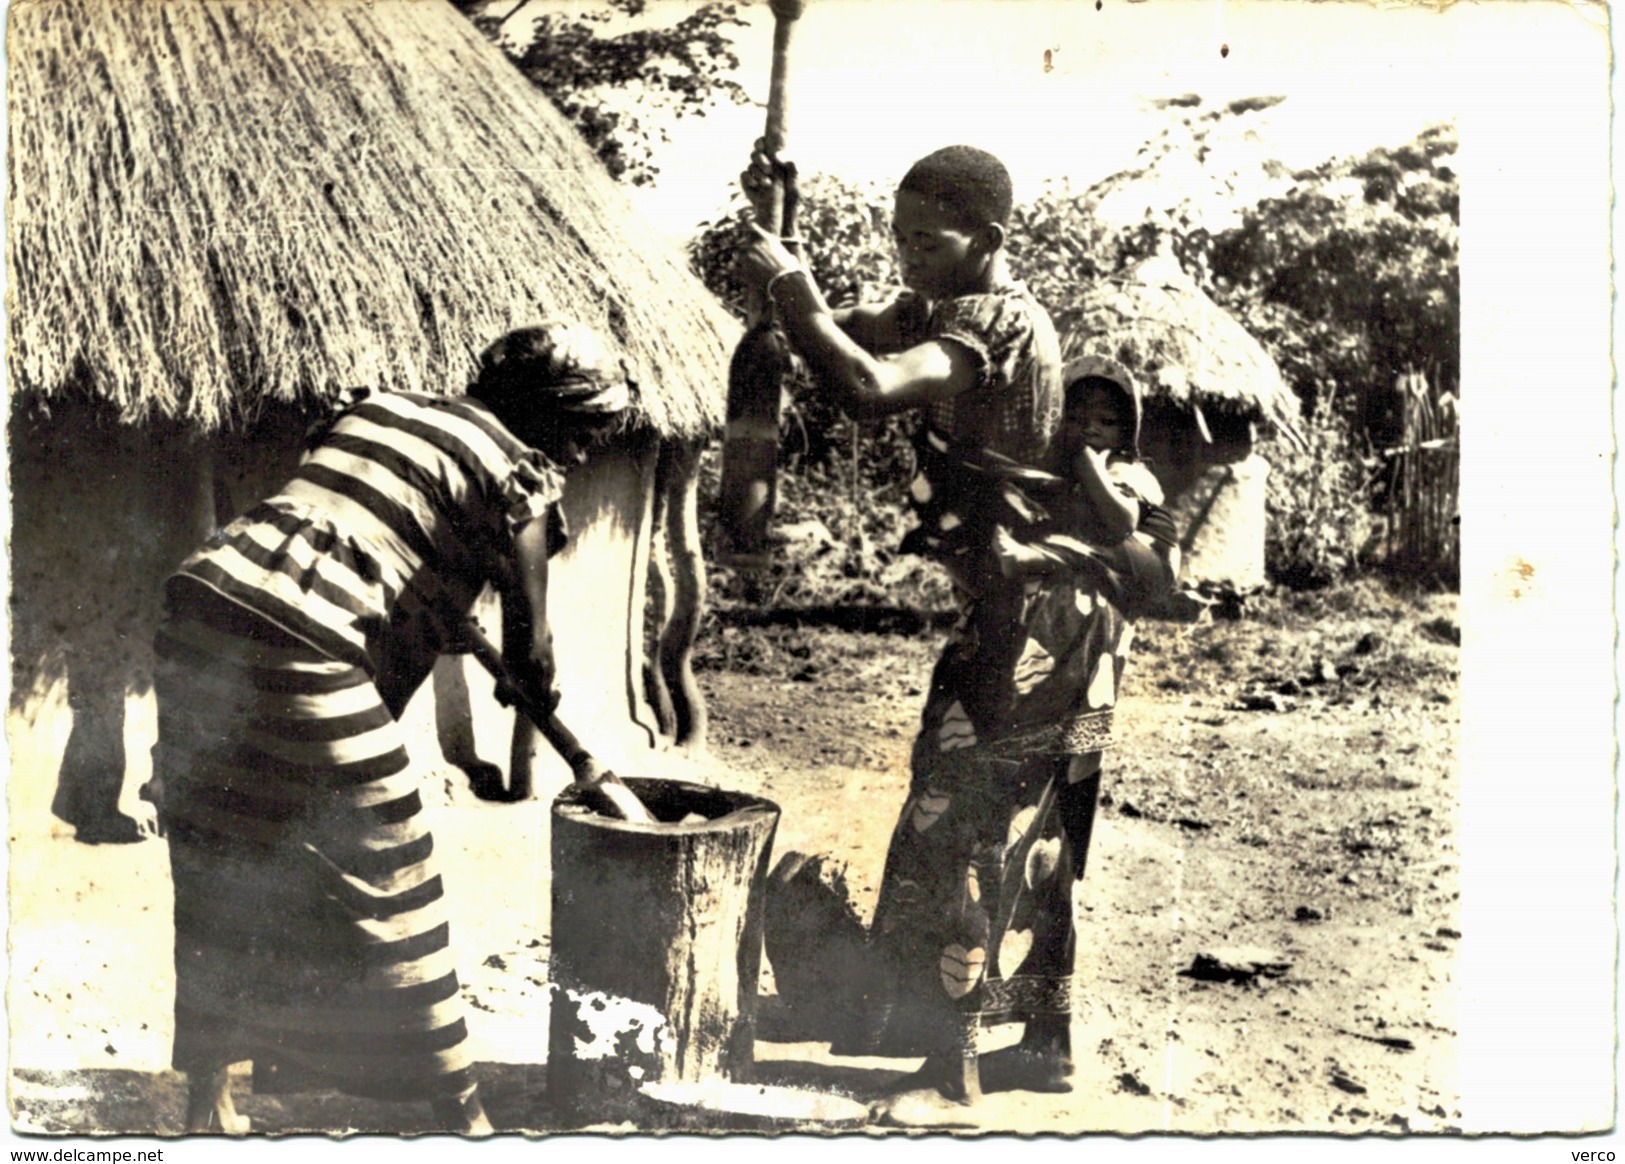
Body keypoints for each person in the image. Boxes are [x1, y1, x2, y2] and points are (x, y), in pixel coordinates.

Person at [145, 320, 633, 1135]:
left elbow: (364, 547)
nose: (584, 454)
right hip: (303, 638)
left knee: (225, 861)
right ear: (547, 414)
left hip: (200, 606)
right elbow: (532, 646)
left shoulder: (376, 408)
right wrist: (529, 683)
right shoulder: (518, 473)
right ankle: (464, 1120)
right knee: (390, 875)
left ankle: (209, 1107)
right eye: (585, 432)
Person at [740, 143, 1138, 1121]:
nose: (909, 257)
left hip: (1032, 624)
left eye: (930, 239)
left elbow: (868, 385)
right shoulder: (937, 305)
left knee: (964, 825)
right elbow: (839, 335)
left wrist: (788, 290)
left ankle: (946, 1069)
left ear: (988, 240)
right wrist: (782, 245)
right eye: (900, 238)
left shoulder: (995, 323)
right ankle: (1039, 1046)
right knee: (1026, 831)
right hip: (1051, 621)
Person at [989, 356, 1181, 616]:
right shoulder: (1062, 471)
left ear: (1126, 432)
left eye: (1106, 421)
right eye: (1076, 419)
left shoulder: (1128, 469)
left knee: (1099, 538)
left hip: (1150, 566)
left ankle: (1038, 559)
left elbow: (1122, 523)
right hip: (1097, 567)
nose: (1090, 428)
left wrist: (1085, 459)